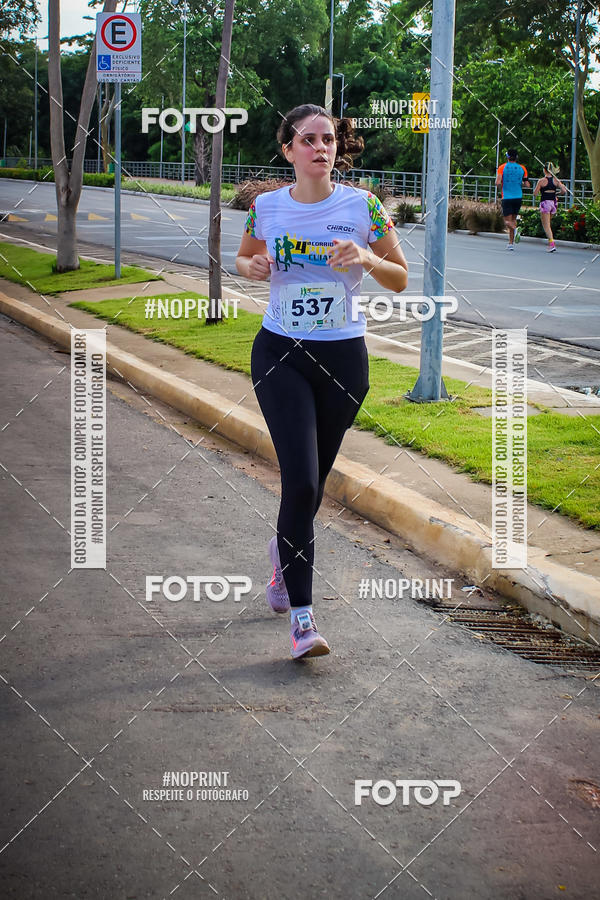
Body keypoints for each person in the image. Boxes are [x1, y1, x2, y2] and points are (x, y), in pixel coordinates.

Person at [236, 103, 408, 659]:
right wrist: (253, 268)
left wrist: (365, 256)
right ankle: (304, 621)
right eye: (308, 139)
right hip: (280, 352)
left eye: (328, 139)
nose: (321, 147)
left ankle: (283, 561)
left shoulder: (365, 207)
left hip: (344, 360)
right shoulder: (265, 207)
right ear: (288, 150)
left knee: (312, 485)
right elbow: (243, 257)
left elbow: (401, 279)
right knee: (302, 483)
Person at [495, 149, 531, 249]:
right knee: (513, 219)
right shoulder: (522, 168)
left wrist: (500, 187)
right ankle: (511, 243)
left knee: (506, 221)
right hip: (518, 196)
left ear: (507, 157)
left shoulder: (502, 167)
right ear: (516, 157)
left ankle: (515, 231)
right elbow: (527, 184)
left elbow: (497, 182)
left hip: (507, 196)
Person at [533, 163, 567, 252]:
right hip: (554, 203)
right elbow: (564, 190)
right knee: (548, 224)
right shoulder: (556, 180)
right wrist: (556, 193)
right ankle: (550, 243)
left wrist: (539, 190)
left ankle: (551, 244)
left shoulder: (541, 181)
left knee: (546, 226)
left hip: (545, 203)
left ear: (544, 170)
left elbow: (535, 194)